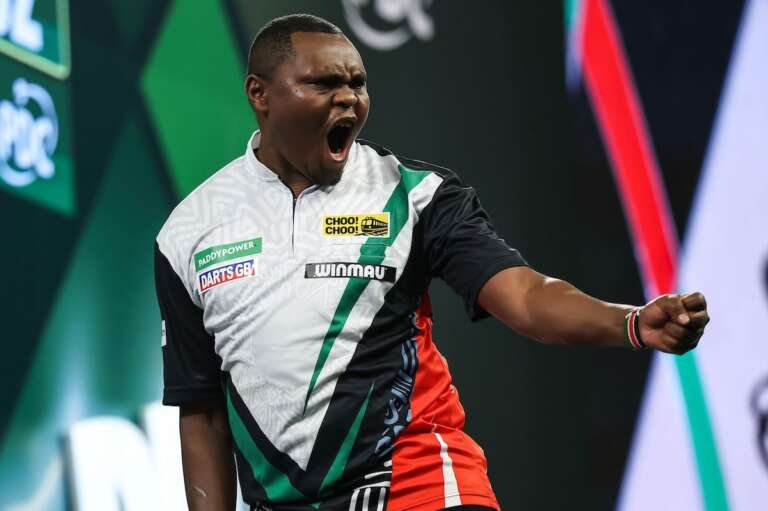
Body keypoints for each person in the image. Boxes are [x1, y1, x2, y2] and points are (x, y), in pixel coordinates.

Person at [154, 13, 710, 511]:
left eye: (357, 83)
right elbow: (200, 407)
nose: (349, 99)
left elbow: (527, 296)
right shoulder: (189, 231)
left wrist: (630, 322)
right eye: (324, 83)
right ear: (260, 94)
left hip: (420, 484)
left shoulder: (416, 196)